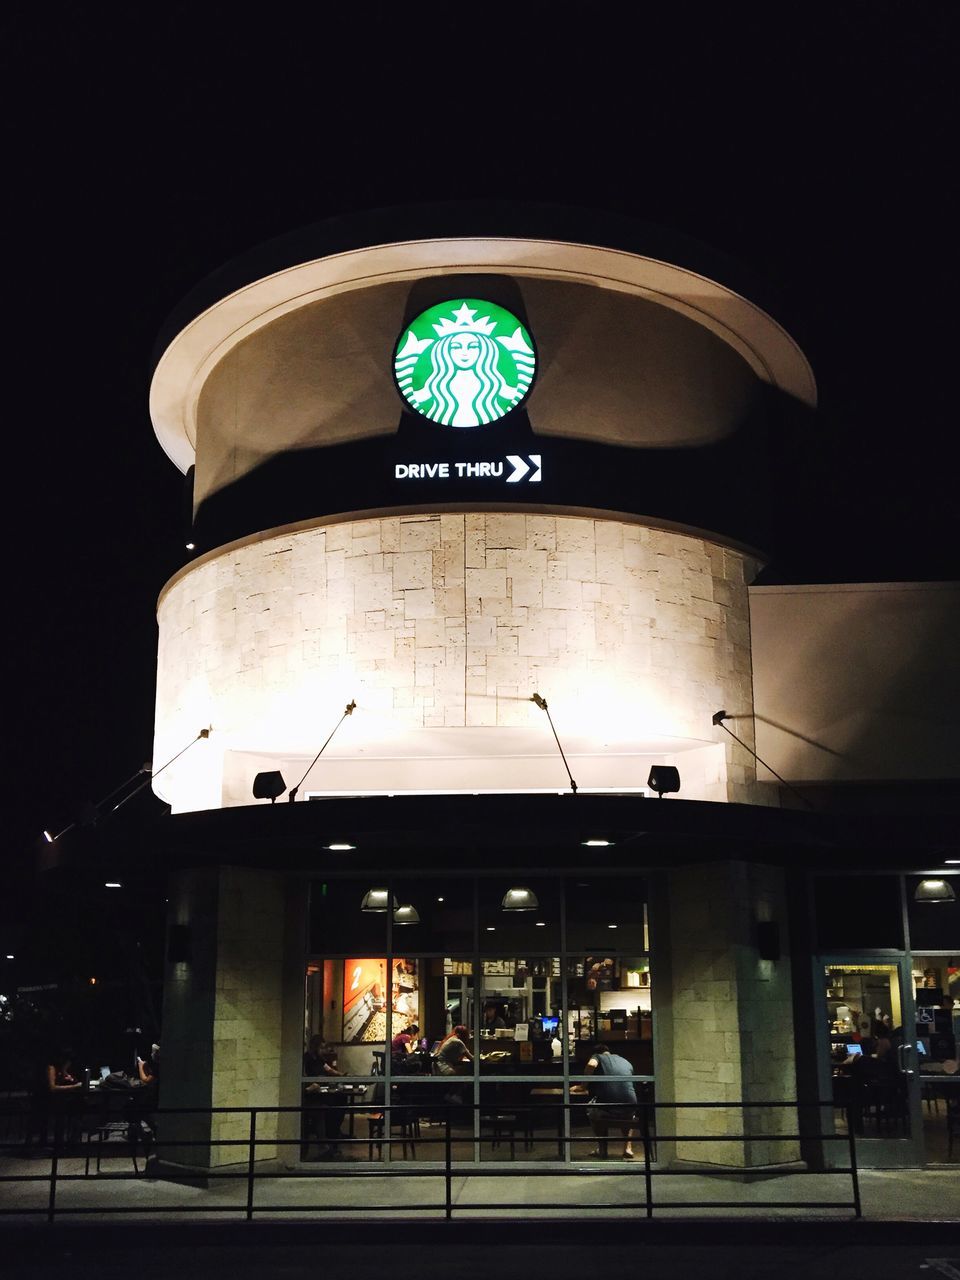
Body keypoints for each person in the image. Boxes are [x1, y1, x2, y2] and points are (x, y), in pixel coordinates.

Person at [583, 1043, 639, 1159]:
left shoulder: (598, 1057)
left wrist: (583, 1085)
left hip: (608, 1108)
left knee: (591, 1109)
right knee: (628, 1115)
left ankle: (602, 1149)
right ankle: (627, 1148)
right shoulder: (624, 1061)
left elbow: (591, 1065)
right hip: (630, 1106)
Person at [302, 1036, 347, 1159]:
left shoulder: (319, 1059)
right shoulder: (306, 1059)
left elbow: (329, 1069)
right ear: (315, 1046)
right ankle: (325, 1143)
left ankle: (330, 1139)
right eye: (321, 1047)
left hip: (319, 1092)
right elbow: (304, 1077)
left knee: (335, 1107)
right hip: (310, 1095)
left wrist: (341, 1075)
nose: (323, 1050)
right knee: (324, 1112)